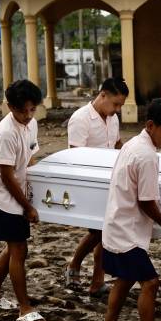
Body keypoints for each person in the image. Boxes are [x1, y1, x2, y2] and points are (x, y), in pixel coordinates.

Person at [96, 98, 161, 321]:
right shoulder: (146, 155)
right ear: (150, 125)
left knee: (124, 280)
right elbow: (146, 201)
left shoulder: (134, 144)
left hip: (116, 225)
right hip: (127, 232)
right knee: (150, 282)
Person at [0, 79, 46, 321]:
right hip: (1, 197)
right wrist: (27, 207)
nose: (28, 116)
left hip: (17, 194)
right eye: (22, 111)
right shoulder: (5, 132)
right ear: (10, 107)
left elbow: (29, 161)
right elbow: (6, 175)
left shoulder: (32, 125)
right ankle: (24, 307)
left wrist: (34, 196)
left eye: (32, 109)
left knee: (14, 247)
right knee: (19, 250)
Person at [63, 78, 129, 297]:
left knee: (105, 232)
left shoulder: (113, 119)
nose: (117, 110)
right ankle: (75, 263)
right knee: (99, 231)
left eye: (120, 106)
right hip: (89, 182)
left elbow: (117, 145)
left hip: (112, 180)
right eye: (116, 104)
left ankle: (96, 280)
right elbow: (76, 155)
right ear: (103, 95)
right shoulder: (80, 119)